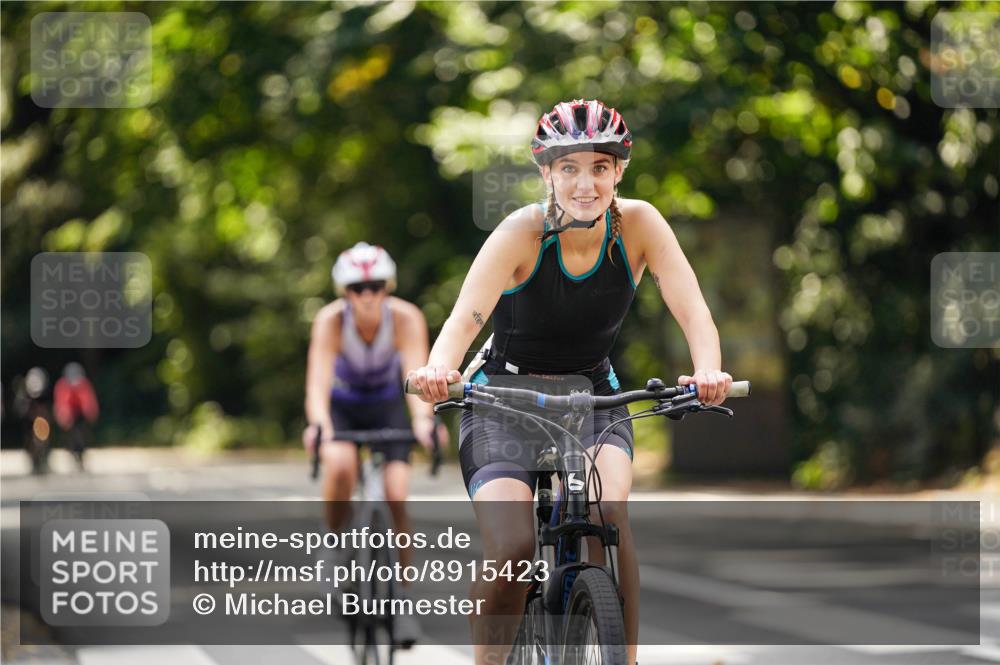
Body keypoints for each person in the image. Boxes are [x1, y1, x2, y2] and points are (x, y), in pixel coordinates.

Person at [408, 99, 733, 665]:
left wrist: (708, 369)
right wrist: (441, 369)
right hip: (501, 399)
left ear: (619, 173)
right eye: (569, 168)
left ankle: (622, 657)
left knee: (609, 516)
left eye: (600, 167)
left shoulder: (639, 225)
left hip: (593, 397)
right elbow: (466, 317)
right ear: (546, 173)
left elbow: (693, 311)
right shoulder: (522, 232)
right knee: (511, 550)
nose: (586, 183)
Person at [302, 241, 447, 646]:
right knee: (342, 466)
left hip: (388, 406)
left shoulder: (405, 317)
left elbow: (416, 379)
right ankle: (333, 551)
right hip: (343, 407)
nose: (367, 295)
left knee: (398, 495)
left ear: (388, 287)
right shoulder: (330, 321)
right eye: (357, 288)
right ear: (344, 292)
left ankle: (401, 601)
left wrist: (424, 423)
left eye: (376, 286)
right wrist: (319, 425)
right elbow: (316, 385)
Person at [53, 362, 100, 468]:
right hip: (69, 413)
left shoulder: (83, 384)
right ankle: (71, 450)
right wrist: (63, 416)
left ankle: (81, 453)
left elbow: (88, 401)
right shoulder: (62, 385)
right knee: (69, 435)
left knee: (82, 433)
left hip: (80, 414)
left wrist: (90, 413)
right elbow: (61, 403)